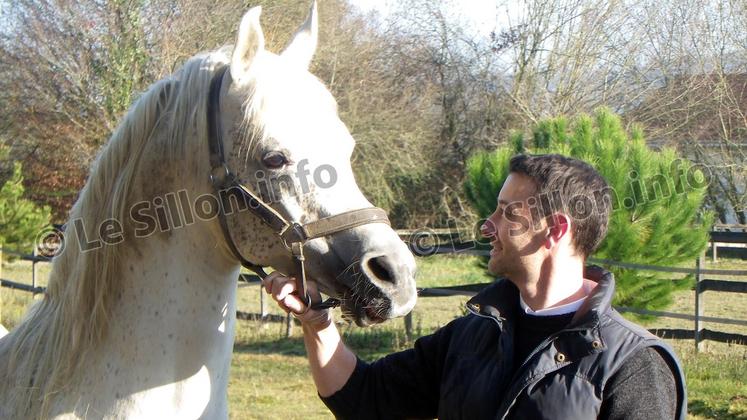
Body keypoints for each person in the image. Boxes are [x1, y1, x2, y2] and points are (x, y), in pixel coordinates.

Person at [262, 154, 687, 419]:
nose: (488, 226)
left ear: (554, 230)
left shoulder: (632, 365)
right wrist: (317, 322)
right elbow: (364, 400)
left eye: (506, 213)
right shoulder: (472, 335)